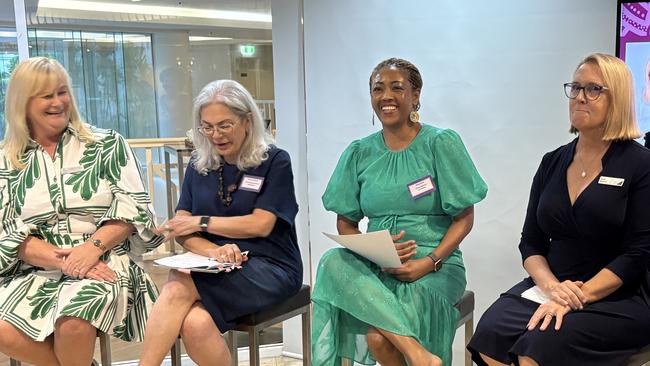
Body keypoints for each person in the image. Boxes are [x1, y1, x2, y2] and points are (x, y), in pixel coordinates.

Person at [467, 53, 650, 366]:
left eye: (593, 90)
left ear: (617, 99)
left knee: (538, 347)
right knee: (490, 332)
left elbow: (639, 253)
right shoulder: (552, 162)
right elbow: (531, 243)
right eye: (575, 88)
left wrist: (581, 295)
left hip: (619, 294)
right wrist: (552, 287)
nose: (579, 98)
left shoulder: (640, 164)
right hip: (555, 285)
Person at [311, 58, 488, 366]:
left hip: (435, 263)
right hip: (379, 263)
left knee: (379, 338)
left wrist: (428, 263)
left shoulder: (440, 143)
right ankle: (419, 355)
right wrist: (375, 253)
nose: (386, 96)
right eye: (377, 89)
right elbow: (346, 222)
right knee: (331, 261)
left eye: (397, 87)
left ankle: (418, 355)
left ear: (415, 96)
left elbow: (464, 217)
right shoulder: (358, 152)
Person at [0, 57, 163, 365]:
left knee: (73, 321)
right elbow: (5, 230)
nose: (58, 102)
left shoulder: (106, 144)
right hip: (36, 267)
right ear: (23, 103)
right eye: (46, 95)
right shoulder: (6, 160)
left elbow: (133, 207)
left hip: (103, 259)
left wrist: (89, 251)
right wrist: (60, 260)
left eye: (62, 92)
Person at [139, 79, 303, 366]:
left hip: (271, 266)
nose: (216, 134)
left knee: (178, 283)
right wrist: (214, 251)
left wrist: (201, 222)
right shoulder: (198, 163)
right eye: (207, 126)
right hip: (215, 264)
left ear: (247, 121)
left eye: (225, 125)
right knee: (195, 324)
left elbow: (260, 225)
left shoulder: (275, 161)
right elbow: (182, 229)